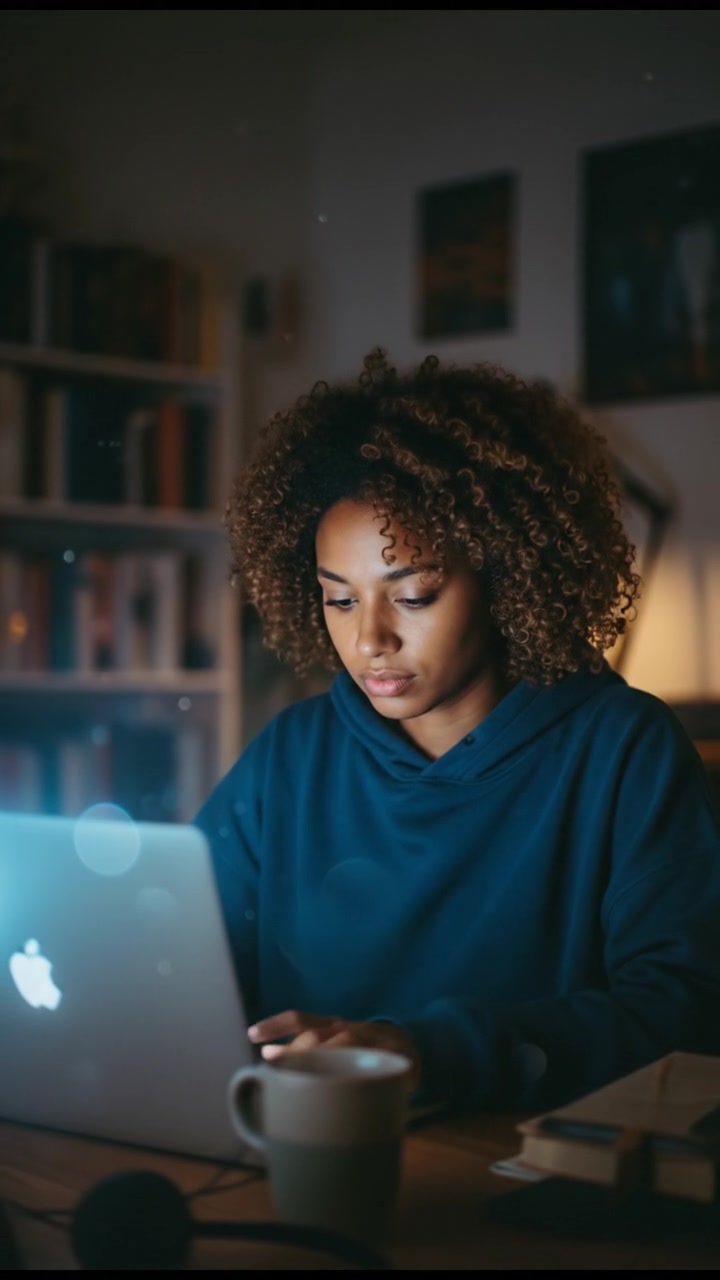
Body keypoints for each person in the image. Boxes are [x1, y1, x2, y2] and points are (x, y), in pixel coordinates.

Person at [194, 348, 720, 1115]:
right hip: (306, 1149)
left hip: (519, 1178)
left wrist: (430, 1054)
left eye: (414, 595)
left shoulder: (621, 750)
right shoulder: (293, 754)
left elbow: (683, 1012)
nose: (371, 639)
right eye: (339, 601)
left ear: (504, 576)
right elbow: (180, 960)